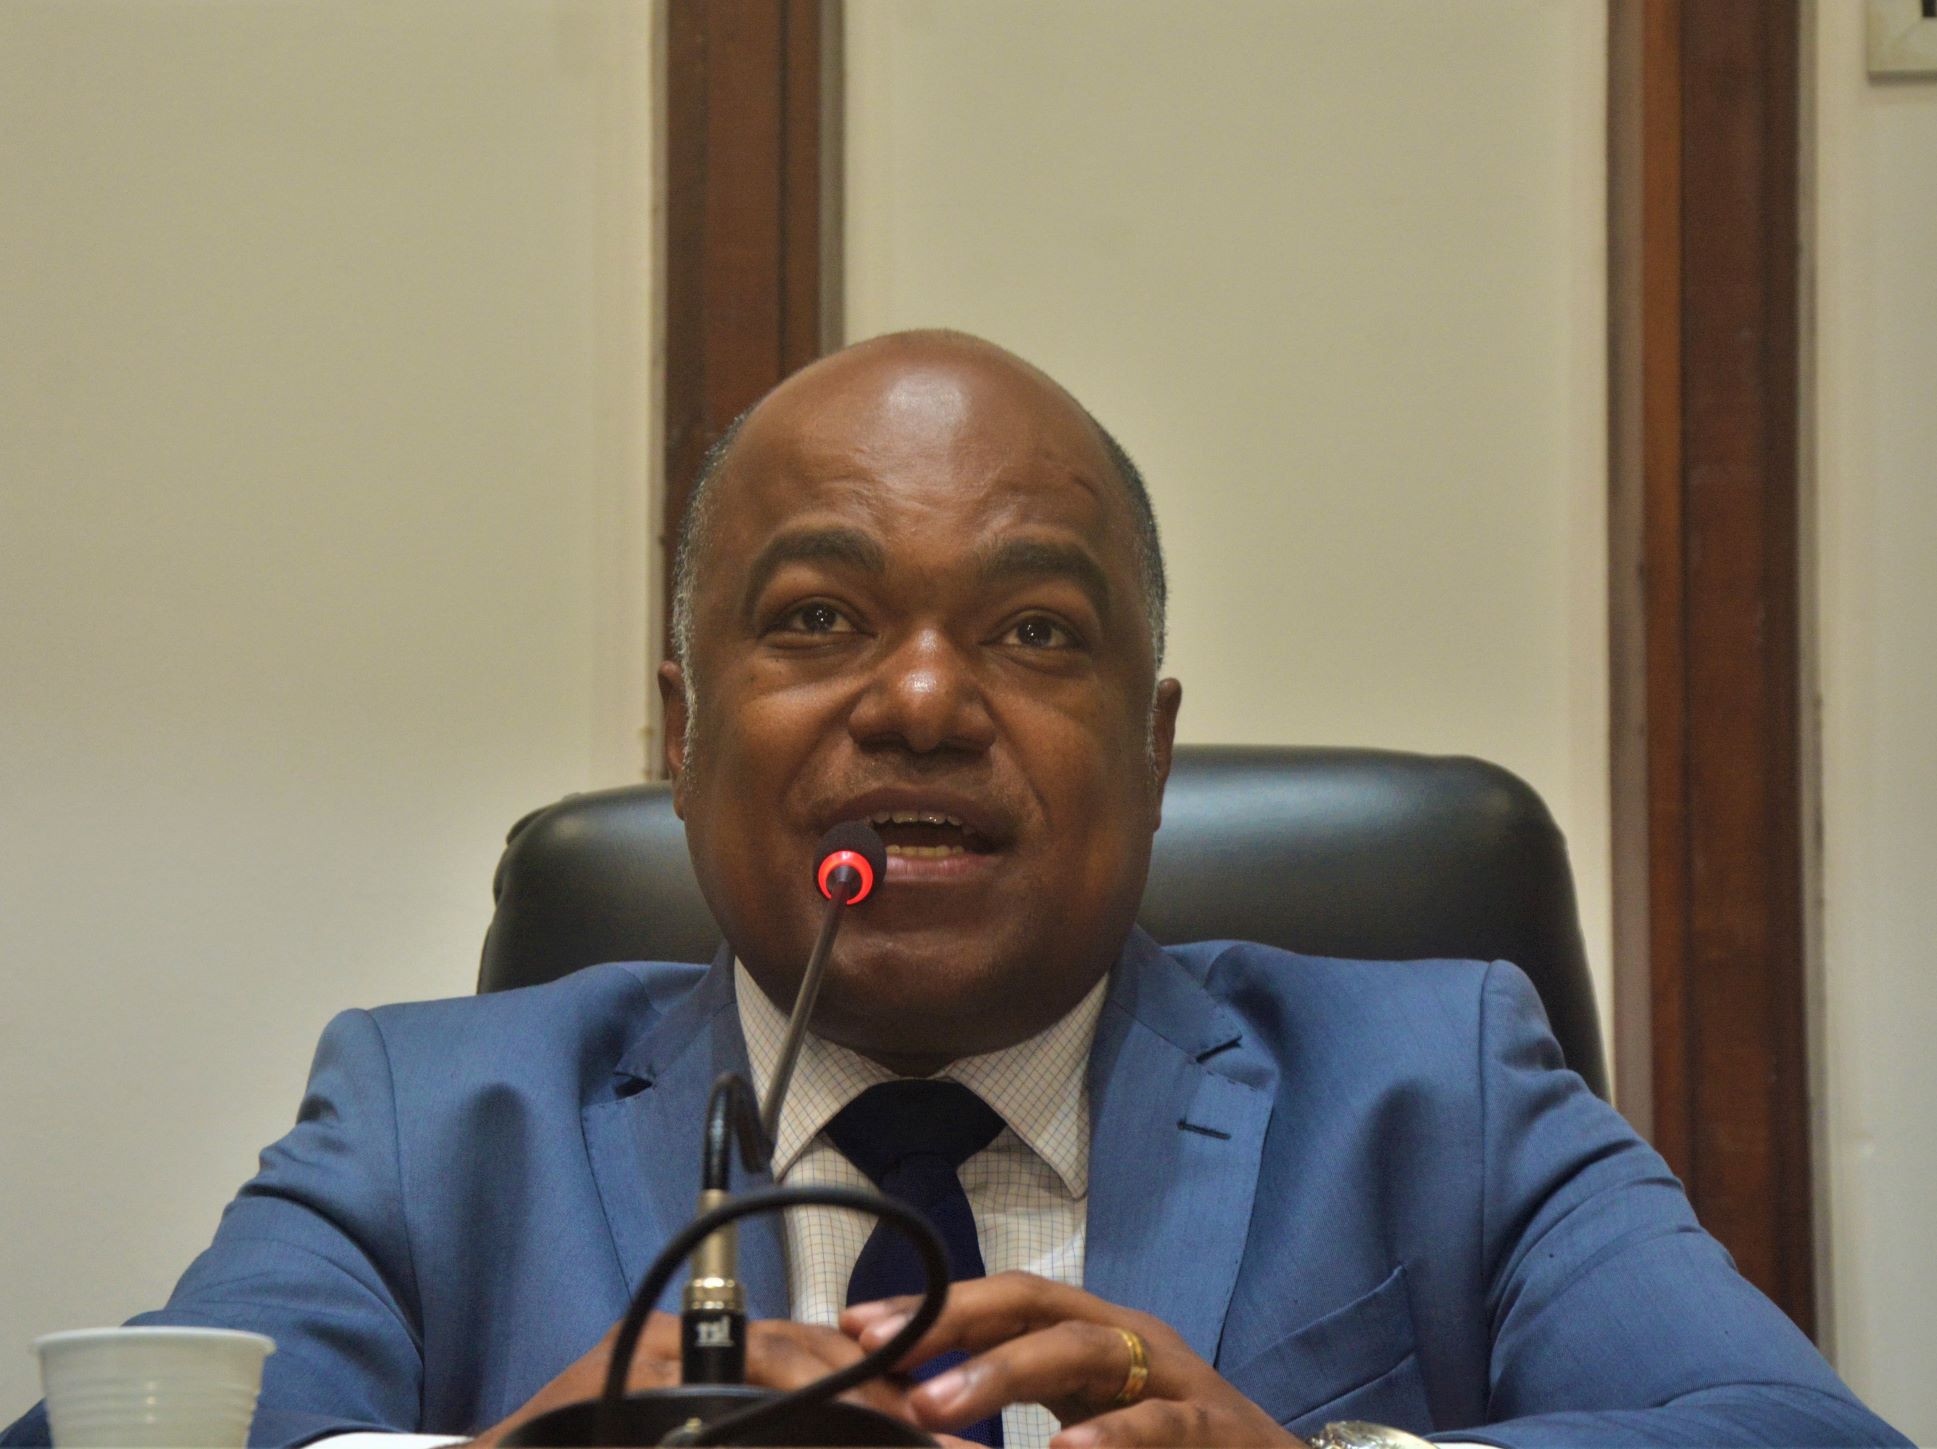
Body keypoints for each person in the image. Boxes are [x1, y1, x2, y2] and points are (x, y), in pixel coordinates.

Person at [3, 331, 1905, 1449]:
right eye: (818, 617)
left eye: (1034, 629)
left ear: (1151, 747)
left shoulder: (1443, 1088)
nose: (920, 699)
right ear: (681, 731)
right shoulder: (434, 1125)